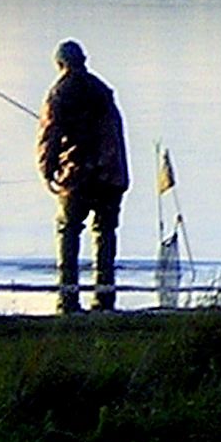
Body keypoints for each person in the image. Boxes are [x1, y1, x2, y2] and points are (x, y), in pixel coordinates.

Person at [35, 40, 131, 313]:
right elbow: (115, 133)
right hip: (111, 176)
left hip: (77, 177)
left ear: (60, 64)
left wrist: (47, 171)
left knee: (68, 230)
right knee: (105, 233)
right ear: (84, 60)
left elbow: (48, 135)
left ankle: (67, 299)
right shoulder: (103, 90)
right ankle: (104, 298)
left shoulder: (59, 94)